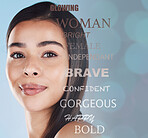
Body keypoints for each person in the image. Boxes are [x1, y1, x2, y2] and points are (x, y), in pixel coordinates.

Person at [6, 1, 100, 138]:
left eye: (49, 54)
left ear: (74, 64)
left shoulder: (75, 133)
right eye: (18, 54)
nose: (29, 68)